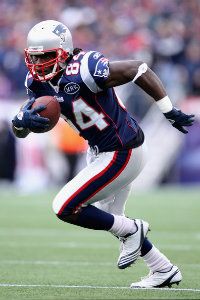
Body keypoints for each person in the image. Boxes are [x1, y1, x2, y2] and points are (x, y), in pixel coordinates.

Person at [12, 20, 194, 288]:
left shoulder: (85, 68)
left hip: (122, 150)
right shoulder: (37, 82)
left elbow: (137, 68)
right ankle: (162, 269)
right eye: (34, 57)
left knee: (64, 206)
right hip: (101, 151)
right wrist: (21, 122)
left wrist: (168, 110)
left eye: (46, 56)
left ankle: (133, 229)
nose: (38, 64)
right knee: (109, 217)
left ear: (63, 52)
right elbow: (21, 129)